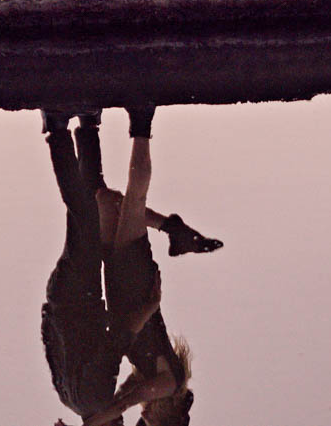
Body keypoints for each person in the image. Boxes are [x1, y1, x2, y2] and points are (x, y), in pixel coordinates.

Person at [41, 105, 222, 426]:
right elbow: (121, 404)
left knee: (104, 199)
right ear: (169, 416)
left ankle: (88, 123)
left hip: (120, 287)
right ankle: (141, 121)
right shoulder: (169, 385)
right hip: (135, 287)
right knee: (133, 199)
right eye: (150, 421)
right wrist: (91, 425)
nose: (144, 416)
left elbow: (117, 394)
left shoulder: (149, 382)